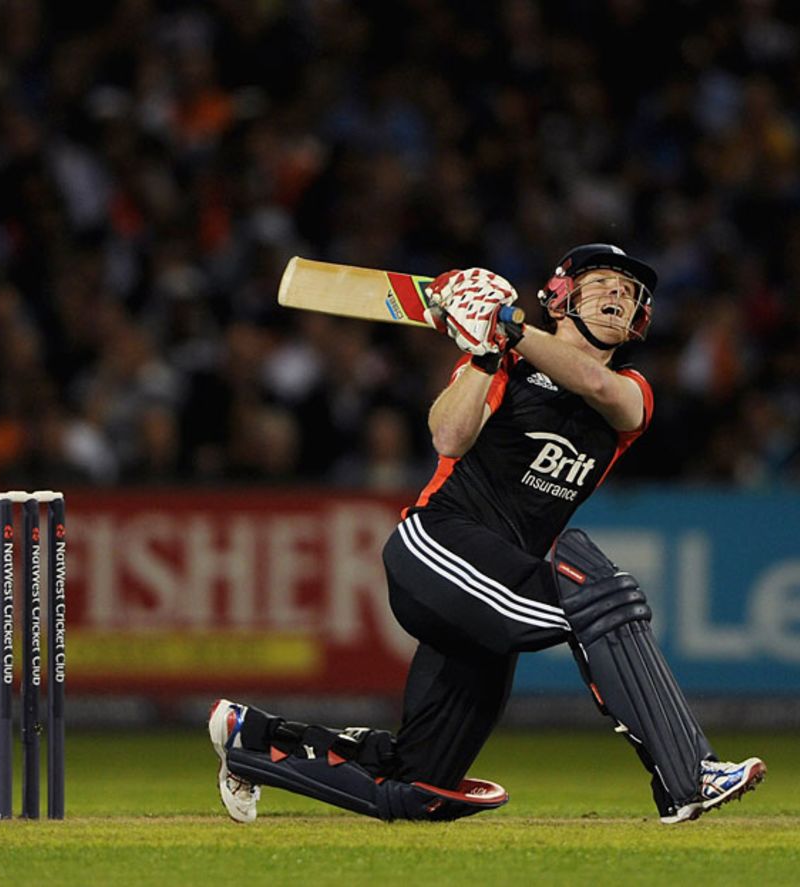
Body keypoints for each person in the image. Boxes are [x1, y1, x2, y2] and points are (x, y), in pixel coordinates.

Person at [208, 244, 766, 823]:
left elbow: (597, 389)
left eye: (629, 293)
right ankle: (689, 774)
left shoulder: (632, 391)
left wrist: (508, 324)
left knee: (420, 785)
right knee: (601, 597)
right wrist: (481, 353)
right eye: (603, 283)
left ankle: (253, 742)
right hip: (438, 547)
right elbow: (447, 437)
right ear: (561, 296)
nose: (618, 296)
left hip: (492, 588)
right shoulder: (504, 364)